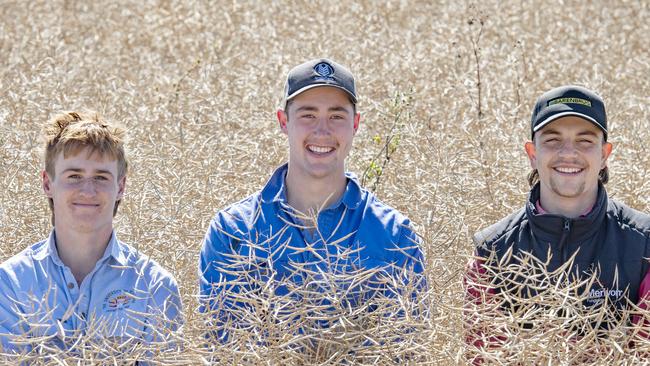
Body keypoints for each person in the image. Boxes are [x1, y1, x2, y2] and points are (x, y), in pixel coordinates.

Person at [199, 58, 425, 337]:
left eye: (336, 116)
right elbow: (225, 346)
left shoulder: (395, 236)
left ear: (355, 124)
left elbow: (405, 347)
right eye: (308, 115)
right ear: (284, 121)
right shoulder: (232, 231)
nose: (322, 130)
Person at [465, 85, 650, 355]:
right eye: (552, 140)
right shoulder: (490, 252)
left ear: (604, 155)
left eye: (584, 141)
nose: (568, 153)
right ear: (532, 154)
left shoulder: (644, 244)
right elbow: (483, 358)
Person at [0, 111, 182, 355]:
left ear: (121, 186)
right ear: (47, 184)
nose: (88, 190)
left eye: (100, 177)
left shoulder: (154, 287)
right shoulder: (11, 283)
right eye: (74, 176)